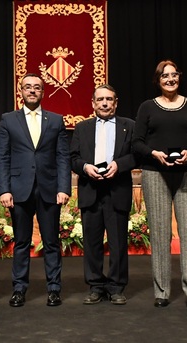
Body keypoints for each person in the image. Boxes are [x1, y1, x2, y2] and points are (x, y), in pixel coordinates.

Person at [132, 60, 187, 309]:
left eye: (174, 74)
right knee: (161, 233)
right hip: (155, 173)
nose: (170, 79)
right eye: (165, 76)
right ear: (158, 80)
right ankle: (162, 290)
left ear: (179, 77)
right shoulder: (147, 107)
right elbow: (137, 143)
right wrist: (154, 153)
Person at [0, 73, 71, 307]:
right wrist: (4, 190)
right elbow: (3, 157)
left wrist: (64, 187)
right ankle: (19, 289)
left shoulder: (56, 120)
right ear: (20, 91)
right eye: (27, 87)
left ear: (43, 92)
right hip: (19, 190)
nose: (32, 91)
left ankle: (54, 289)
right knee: (21, 242)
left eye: (36, 87)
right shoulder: (8, 120)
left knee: (51, 242)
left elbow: (63, 157)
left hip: (49, 189)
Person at [70, 84, 136, 305]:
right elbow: (73, 158)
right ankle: (96, 286)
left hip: (117, 191)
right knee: (92, 242)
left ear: (116, 103)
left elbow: (137, 155)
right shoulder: (82, 127)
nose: (105, 103)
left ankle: (116, 287)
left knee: (118, 243)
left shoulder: (130, 126)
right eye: (100, 100)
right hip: (91, 190)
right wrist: (85, 167)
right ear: (93, 103)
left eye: (109, 99)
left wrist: (119, 164)